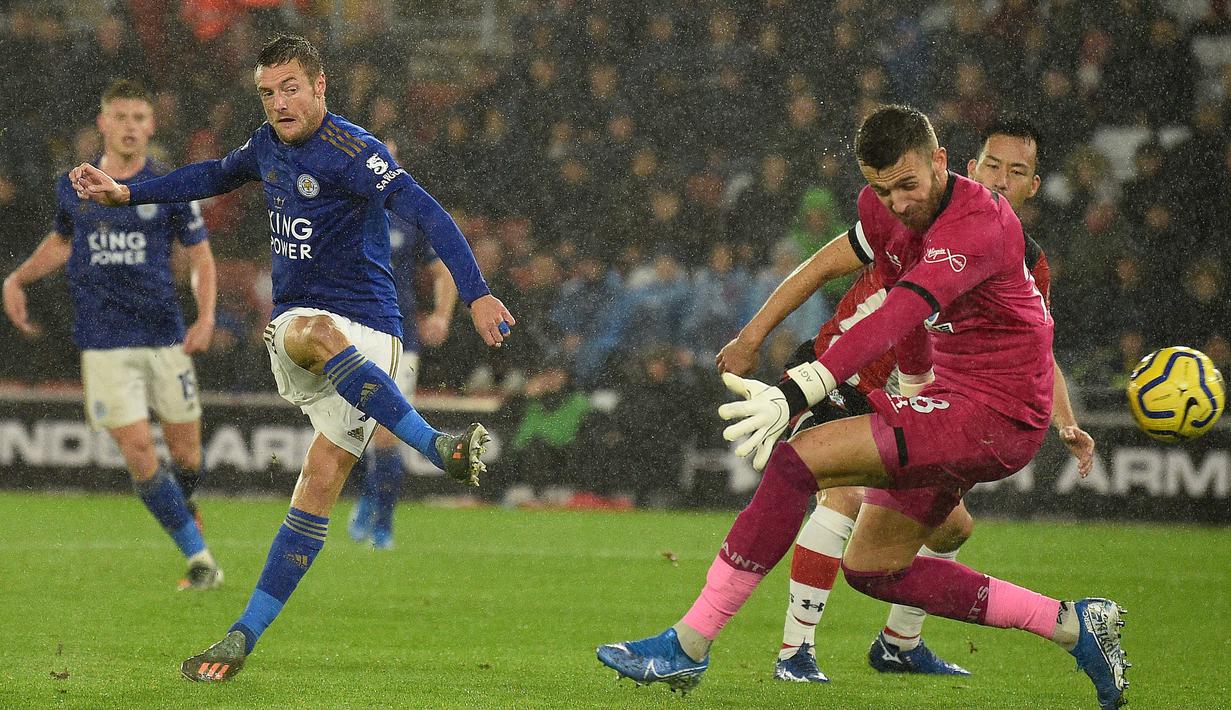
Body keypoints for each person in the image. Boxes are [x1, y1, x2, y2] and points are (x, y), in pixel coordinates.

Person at [597, 105, 1128, 710]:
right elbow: (897, 299)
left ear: (941, 162)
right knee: (874, 567)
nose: (898, 203)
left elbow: (904, 309)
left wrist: (803, 387)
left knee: (799, 462)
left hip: (996, 416)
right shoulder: (883, 210)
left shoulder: (982, 225)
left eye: (908, 185)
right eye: (882, 189)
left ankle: (689, 646)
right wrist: (915, 379)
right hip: (949, 398)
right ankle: (1073, 625)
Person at [71, 34, 514, 682]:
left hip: (376, 339)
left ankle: (242, 633)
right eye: (267, 91)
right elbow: (207, 176)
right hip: (311, 331)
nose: (278, 102)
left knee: (318, 483)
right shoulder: (265, 146)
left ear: (320, 86)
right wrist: (125, 193)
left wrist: (474, 294)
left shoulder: (353, 152)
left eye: (290, 88)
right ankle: (435, 445)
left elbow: (429, 213)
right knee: (307, 330)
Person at [717, 117, 1097, 683]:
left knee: (950, 529)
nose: (1001, 178)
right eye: (992, 165)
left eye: (1017, 172)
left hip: (933, 398)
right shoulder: (908, 213)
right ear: (964, 166)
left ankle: (899, 641)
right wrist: (753, 337)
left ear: (1033, 187)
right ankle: (795, 653)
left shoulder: (1023, 259)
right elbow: (825, 265)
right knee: (840, 493)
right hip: (851, 369)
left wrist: (1064, 421)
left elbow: (1034, 345)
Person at [3, 79, 223, 591]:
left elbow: (200, 257)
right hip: (102, 341)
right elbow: (62, 242)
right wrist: (18, 277)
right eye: (120, 117)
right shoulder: (74, 186)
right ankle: (200, 559)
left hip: (164, 336)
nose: (129, 127)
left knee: (187, 458)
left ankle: (182, 506)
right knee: (140, 455)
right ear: (103, 123)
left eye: (139, 118)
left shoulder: (169, 187)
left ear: (151, 126)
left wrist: (206, 316)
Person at [349, 183, 458, 550]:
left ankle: (384, 525)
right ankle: (370, 493)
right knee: (354, 432)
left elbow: (443, 268)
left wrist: (442, 315)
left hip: (399, 337)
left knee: (386, 432)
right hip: (349, 335)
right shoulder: (340, 208)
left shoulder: (408, 213)